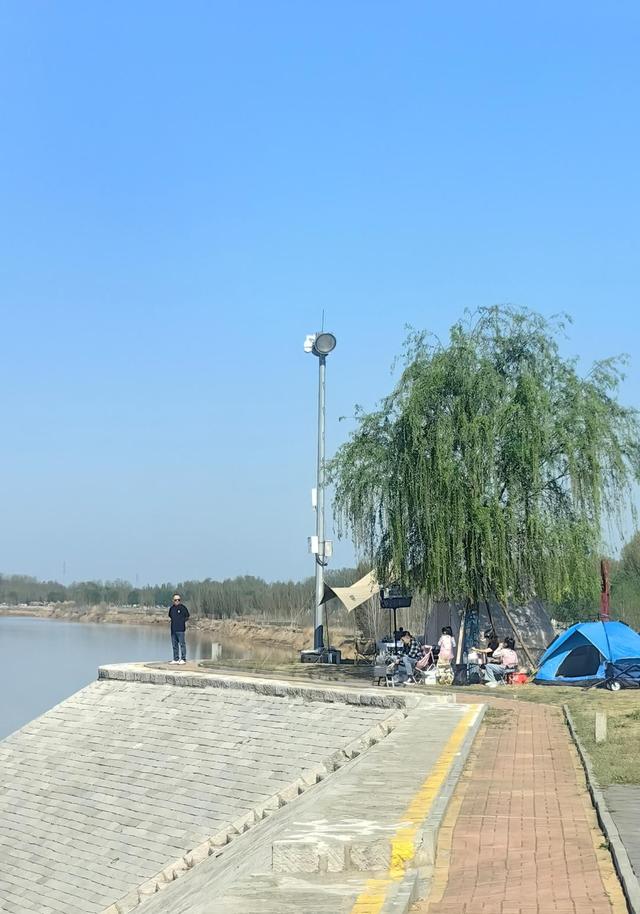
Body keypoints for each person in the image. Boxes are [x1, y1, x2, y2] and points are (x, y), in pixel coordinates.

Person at [168, 593, 190, 664]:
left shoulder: (183, 608)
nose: (177, 601)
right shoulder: (171, 608)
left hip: (181, 630)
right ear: (173, 600)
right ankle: (176, 659)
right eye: (175, 600)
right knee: (174, 645)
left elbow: (187, 616)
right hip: (173, 630)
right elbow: (170, 616)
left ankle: (183, 659)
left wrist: (182, 621)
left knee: (182, 644)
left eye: (178, 600)